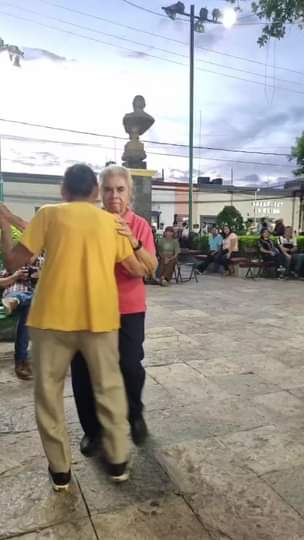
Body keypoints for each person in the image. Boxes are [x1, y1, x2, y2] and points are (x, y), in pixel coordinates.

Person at [0, 164, 147, 491]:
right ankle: (119, 460)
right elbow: (136, 268)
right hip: (100, 319)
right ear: (96, 193)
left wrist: (4, 220)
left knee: (48, 396)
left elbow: (13, 263)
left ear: (63, 191)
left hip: (51, 320)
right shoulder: (111, 222)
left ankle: (61, 471)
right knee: (109, 387)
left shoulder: (48, 215)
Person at [71, 165, 157, 457]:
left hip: (128, 307)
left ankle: (135, 414)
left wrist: (129, 240)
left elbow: (148, 269)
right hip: (90, 307)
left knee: (130, 366)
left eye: (120, 190)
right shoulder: (89, 222)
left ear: (130, 192)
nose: (114, 196)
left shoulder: (140, 225)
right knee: (83, 370)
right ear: (98, 193)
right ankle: (92, 431)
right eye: (107, 190)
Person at [0, 257, 42, 380]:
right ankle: (21, 361)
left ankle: (16, 300)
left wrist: (40, 275)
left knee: (30, 304)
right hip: (14, 292)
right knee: (30, 306)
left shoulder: (42, 262)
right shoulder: (14, 262)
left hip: (33, 298)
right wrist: (15, 276)